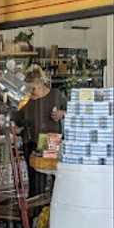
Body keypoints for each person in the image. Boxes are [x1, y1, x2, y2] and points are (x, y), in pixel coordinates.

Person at [12, 65, 67, 197]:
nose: (31, 92)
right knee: (35, 181)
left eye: (33, 88)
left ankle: (50, 210)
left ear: (41, 84)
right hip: (30, 141)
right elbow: (17, 119)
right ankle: (36, 214)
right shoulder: (26, 100)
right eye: (29, 88)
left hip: (50, 139)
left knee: (53, 176)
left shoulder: (55, 95)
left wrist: (62, 113)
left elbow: (70, 111)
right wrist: (16, 127)